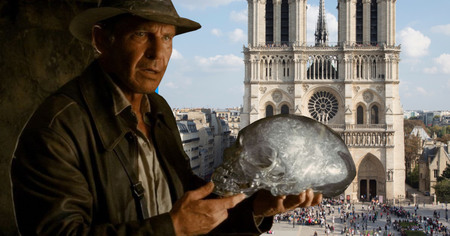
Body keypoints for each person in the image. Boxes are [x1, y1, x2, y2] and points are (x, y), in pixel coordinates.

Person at [10, 0, 322, 235]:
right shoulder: (56, 131)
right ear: (102, 40)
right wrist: (171, 228)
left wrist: (256, 207)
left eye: (168, 38)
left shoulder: (157, 110)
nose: (158, 53)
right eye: (141, 34)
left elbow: (189, 201)